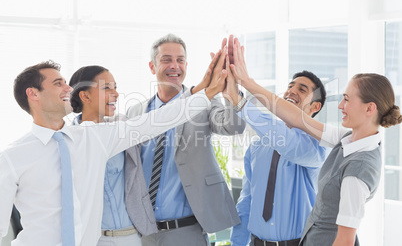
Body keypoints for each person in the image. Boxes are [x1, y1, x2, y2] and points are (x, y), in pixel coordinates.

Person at [0, 57, 227, 246]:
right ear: (33, 94)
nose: (69, 88)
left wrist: (205, 94)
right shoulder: (11, 158)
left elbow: (157, 120)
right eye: (58, 83)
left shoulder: (93, 138)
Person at [227, 37, 402, 246]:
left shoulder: (326, 151)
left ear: (369, 108)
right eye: (290, 86)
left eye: (347, 99)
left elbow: (345, 240)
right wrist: (245, 83)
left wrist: (240, 101)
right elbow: (294, 117)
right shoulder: (344, 140)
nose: (340, 106)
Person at [125, 33, 246, 246]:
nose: (175, 66)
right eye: (166, 60)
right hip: (141, 230)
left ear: (186, 65)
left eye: (180, 60)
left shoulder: (203, 103)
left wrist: (232, 91)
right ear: (152, 67)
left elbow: (233, 126)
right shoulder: (136, 112)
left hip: (187, 231)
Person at [230, 70, 327, 246]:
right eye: (290, 86)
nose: (292, 91)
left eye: (302, 89)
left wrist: (239, 102)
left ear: (315, 107)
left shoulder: (316, 147)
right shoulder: (257, 146)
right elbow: (247, 200)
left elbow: (287, 143)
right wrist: (237, 242)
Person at [69, 65, 154, 245]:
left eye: (115, 87)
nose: (115, 93)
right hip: (93, 239)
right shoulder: (68, 142)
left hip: (132, 237)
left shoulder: (121, 128)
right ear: (85, 96)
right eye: (107, 88)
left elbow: (162, 117)